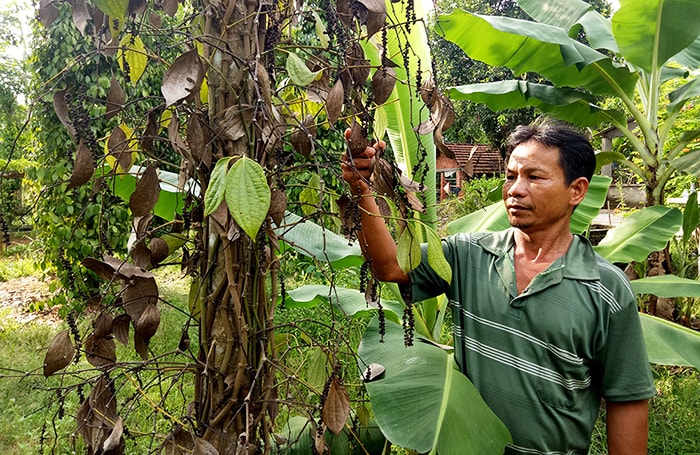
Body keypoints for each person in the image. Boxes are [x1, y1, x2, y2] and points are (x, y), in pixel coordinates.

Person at [341, 120, 656, 454]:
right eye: (511, 175)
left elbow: (628, 399)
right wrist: (362, 189)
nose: (515, 190)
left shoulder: (605, 288)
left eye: (534, 177)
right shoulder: (466, 256)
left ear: (576, 191)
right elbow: (389, 266)